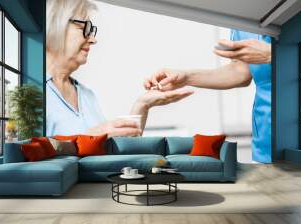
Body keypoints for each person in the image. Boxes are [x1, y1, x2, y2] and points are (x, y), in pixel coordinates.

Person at [46, 0, 193, 137]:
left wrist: (142, 106)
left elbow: (108, 153)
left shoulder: (86, 95)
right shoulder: (31, 92)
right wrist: (90, 138)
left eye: (92, 30)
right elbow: (29, 157)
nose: (93, 39)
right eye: (85, 28)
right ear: (56, 26)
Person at [144, 30, 272, 163]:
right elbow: (240, 72)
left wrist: (271, 53)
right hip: (265, 144)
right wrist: (186, 77)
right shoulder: (245, 24)